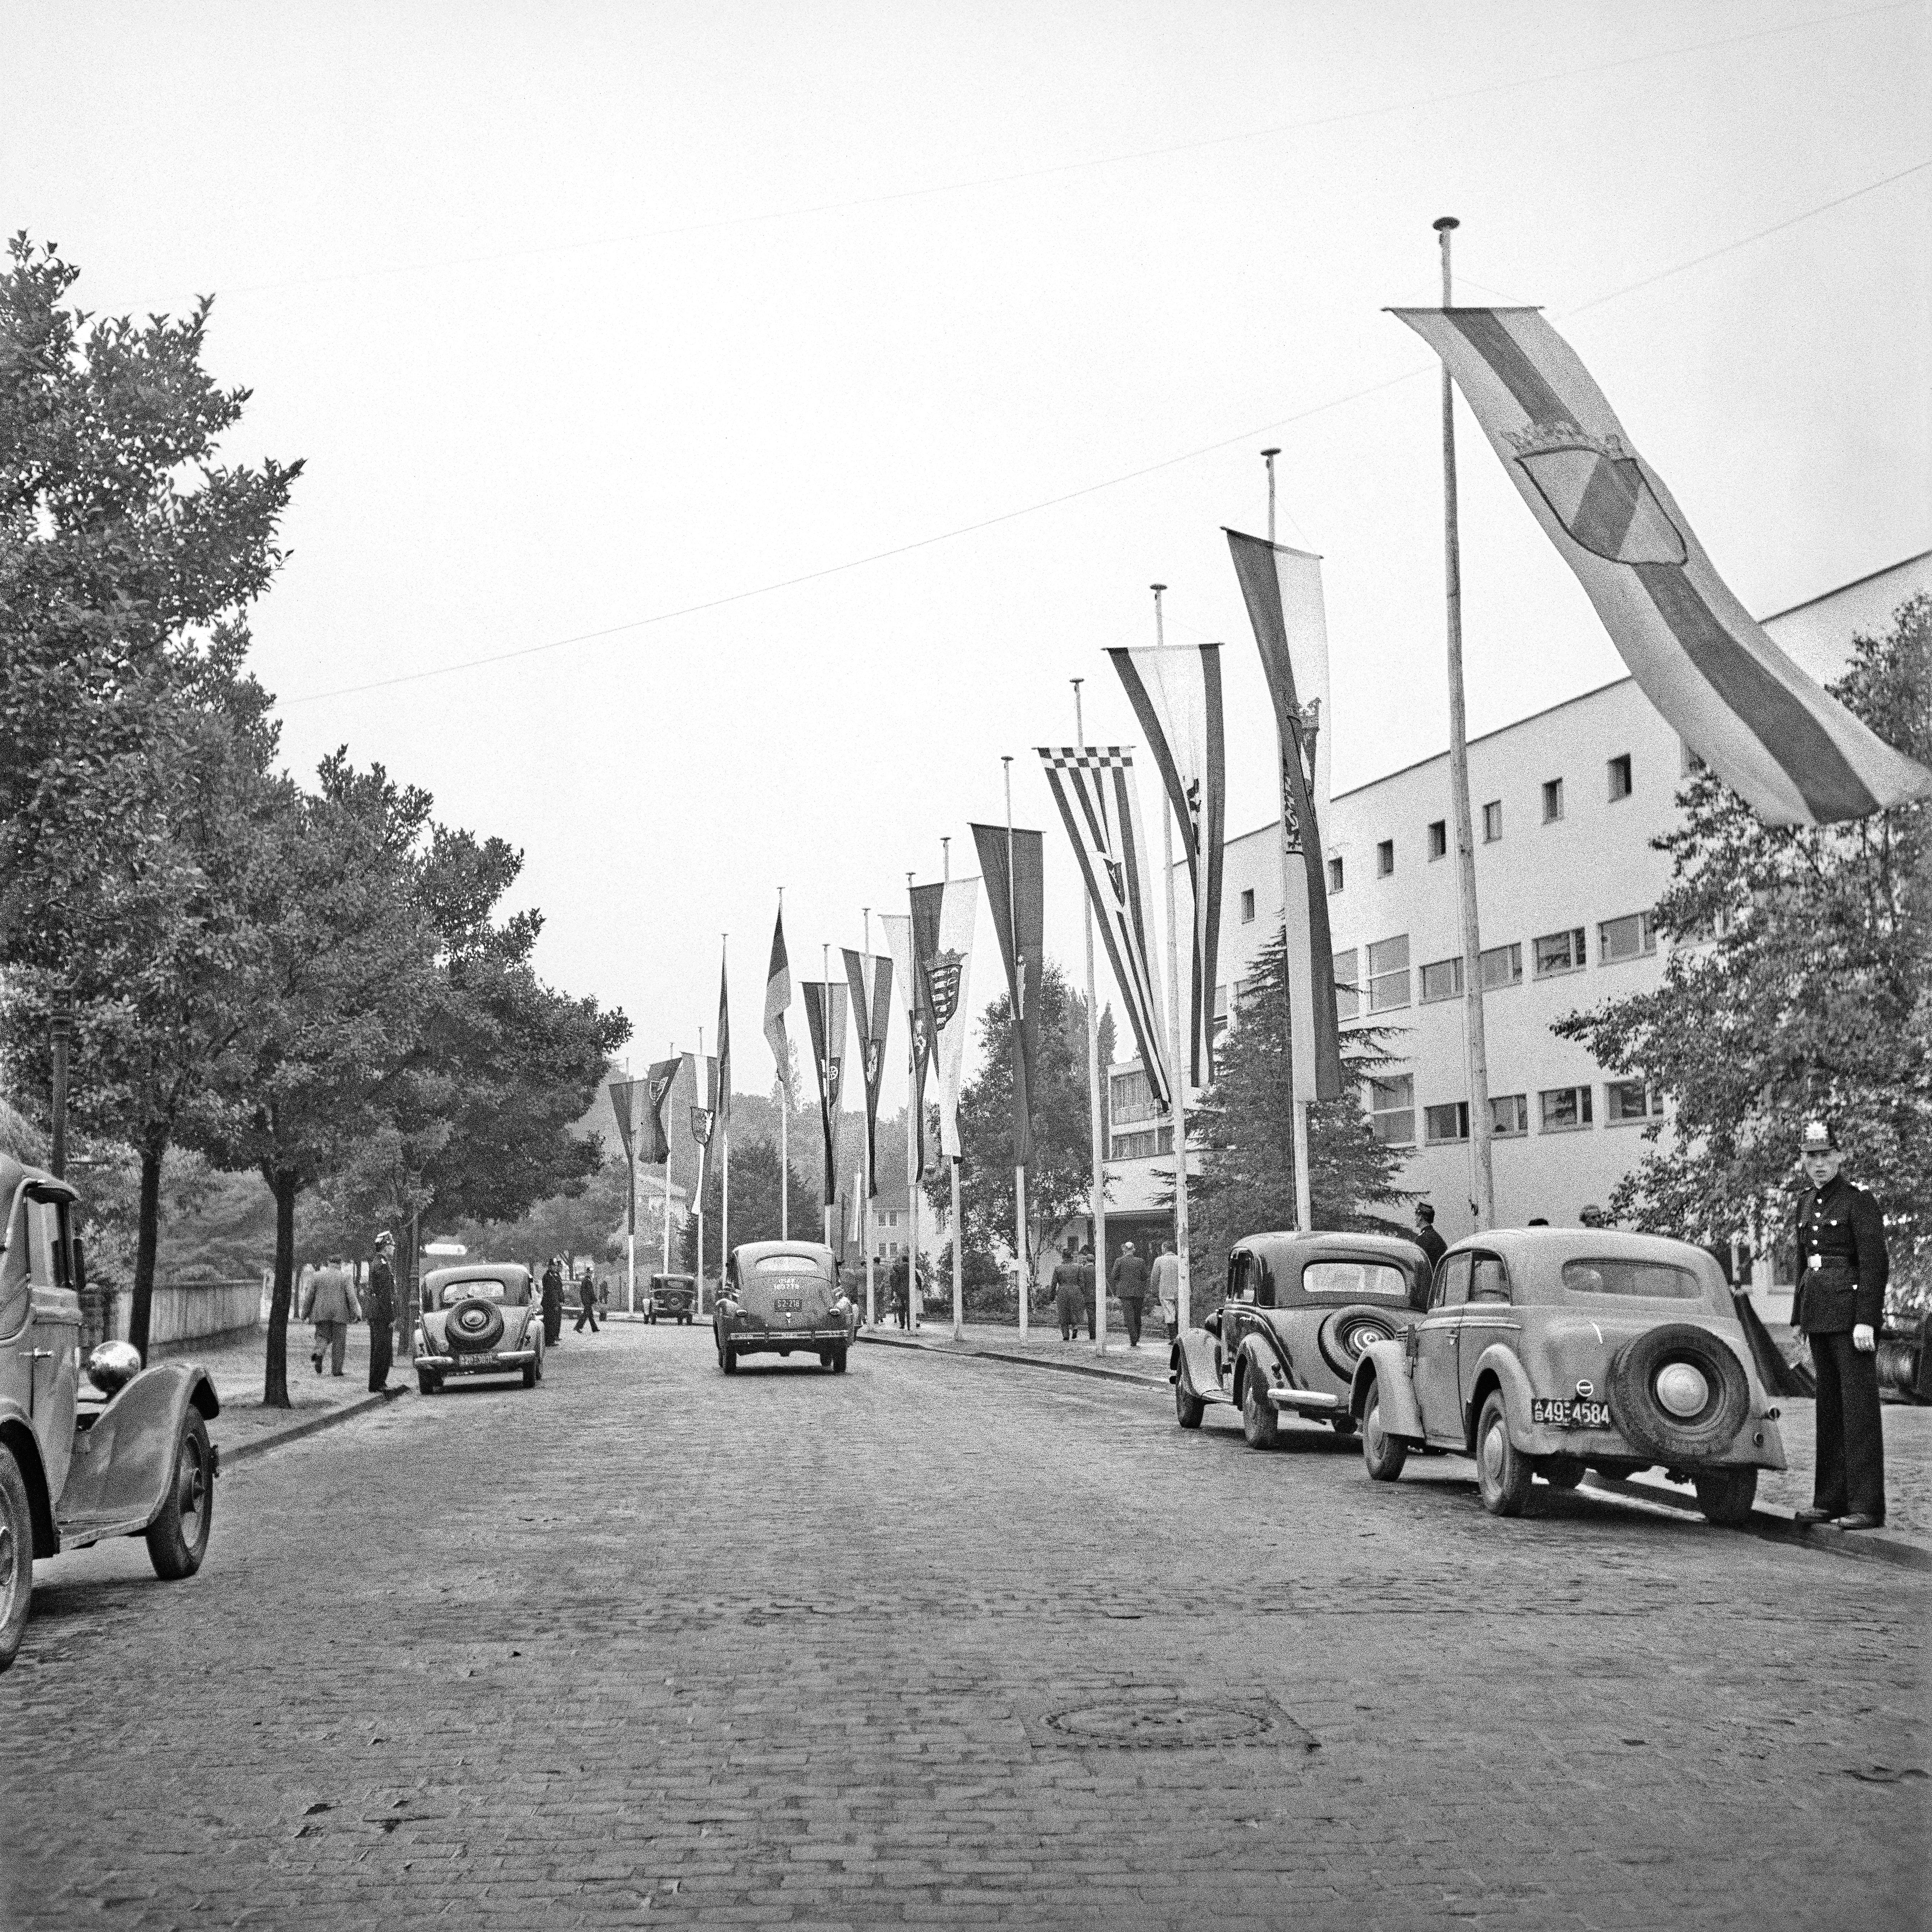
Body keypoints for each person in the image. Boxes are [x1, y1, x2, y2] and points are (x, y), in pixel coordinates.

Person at [1790, 1120, 1889, 1530]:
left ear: (1839, 1156)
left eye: (1825, 1155)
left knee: (1859, 1411)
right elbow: (1803, 1262)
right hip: (1819, 1314)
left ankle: (1867, 1504)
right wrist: (1798, 1317)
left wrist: (1866, 1319)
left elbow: (1874, 1264)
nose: (1818, 1164)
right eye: (1811, 1156)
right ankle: (1829, 1500)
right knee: (1828, 1409)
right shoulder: (1804, 1203)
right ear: (1803, 1160)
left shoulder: (1857, 1201)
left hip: (1850, 1318)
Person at [307, 1255, 360, 1378]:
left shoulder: (317, 1276)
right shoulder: (346, 1277)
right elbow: (352, 1298)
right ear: (340, 1264)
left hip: (321, 1313)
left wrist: (305, 1313)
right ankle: (337, 1370)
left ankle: (319, 1353)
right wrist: (357, 1314)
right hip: (340, 1315)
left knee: (323, 1336)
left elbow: (310, 1297)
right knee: (339, 1342)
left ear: (328, 1263)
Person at [366, 1232, 397, 1393]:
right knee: (382, 1348)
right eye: (392, 1246)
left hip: (378, 1313)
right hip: (381, 1314)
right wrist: (391, 1316)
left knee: (382, 1348)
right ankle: (377, 1382)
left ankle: (379, 1381)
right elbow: (385, 1294)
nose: (394, 1249)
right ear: (385, 1247)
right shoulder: (382, 1265)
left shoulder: (379, 1263)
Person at [1112, 1240, 1150, 1348]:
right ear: (1134, 1250)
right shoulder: (1140, 1261)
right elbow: (1145, 1276)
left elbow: (1114, 1276)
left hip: (1125, 1293)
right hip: (1138, 1293)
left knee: (1129, 1316)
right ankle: (1137, 1336)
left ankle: (1133, 1338)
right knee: (1137, 1316)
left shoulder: (1119, 1261)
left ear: (1124, 1250)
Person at [1049, 1240, 1085, 1342]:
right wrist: (1083, 1293)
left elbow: (1054, 1284)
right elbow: (1082, 1282)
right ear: (1072, 1257)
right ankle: (1075, 1327)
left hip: (1063, 1292)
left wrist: (1052, 1297)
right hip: (1076, 1291)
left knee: (1063, 1313)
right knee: (1074, 1311)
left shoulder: (1058, 1268)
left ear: (1063, 1257)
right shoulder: (1078, 1267)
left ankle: (1066, 1335)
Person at [1150, 1240, 1180, 1342]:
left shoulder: (1159, 1260)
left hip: (1165, 1291)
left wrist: (1153, 1290)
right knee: (1180, 1313)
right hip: (1180, 1291)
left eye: (1162, 1248)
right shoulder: (1180, 1259)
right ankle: (1181, 1336)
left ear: (1165, 1249)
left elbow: (1155, 1277)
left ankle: (1173, 1338)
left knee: (1169, 1314)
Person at [1411, 1204, 1447, 1272]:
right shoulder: (1438, 1238)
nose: (1415, 1219)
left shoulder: (1423, 1239)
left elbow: (1418, 1264)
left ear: (1420, 1217)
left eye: (1417, 1216)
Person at [541, 1258, 565, 1345]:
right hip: (549, 1303)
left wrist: (560, 1300)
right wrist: (556, 1303)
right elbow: (551, 1292)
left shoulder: (554, 1276)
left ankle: (551, 1339)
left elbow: (559, 1290)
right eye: (554, 1266)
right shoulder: (547, 1277)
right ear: (550, 1267)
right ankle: (549, 1341)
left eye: (556, 1266)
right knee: (549, 1322)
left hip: (554, 1302)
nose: (555, 1268)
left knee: (553, 1321)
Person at [573, 1267, 600, 1333]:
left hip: (587, 1300)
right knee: (586, 1315)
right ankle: (578, 1327)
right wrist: (595, 1300)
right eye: (590, 1273)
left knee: (590, 1315)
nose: (591, 1274)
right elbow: (590, 1292)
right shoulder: (587, 1281)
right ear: (587, 1273)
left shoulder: (587, 1280)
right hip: (587, 1301)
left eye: (592, 1273)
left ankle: (594, 1328)